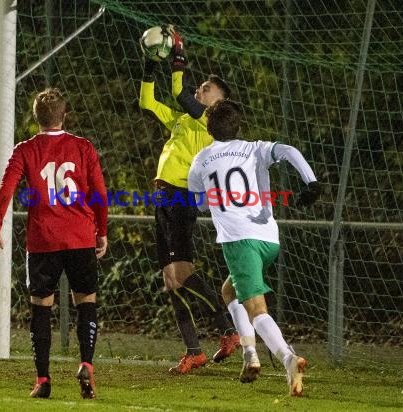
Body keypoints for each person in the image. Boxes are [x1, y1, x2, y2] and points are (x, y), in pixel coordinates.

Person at [187, 99, 321, 396]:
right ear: (239, 126)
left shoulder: (200, 160)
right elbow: (288, 151)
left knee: (257, 308)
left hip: (239, 241)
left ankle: (288, 358)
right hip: (269, 239)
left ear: (209, 129)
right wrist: (311, 182)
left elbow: (197, 203)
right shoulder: (255, 148)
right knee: (229, 291)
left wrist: (214, 196)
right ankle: (250, 354)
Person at [0, 88, 108, 399]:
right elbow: (100, 194)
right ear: (65, 115)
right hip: (80, 237)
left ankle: (42, 379)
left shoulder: (25, 150)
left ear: (36, 118)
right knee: (87, 303)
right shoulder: (83, 147)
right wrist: (101, 230)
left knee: (41, 308)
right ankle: (86, 365)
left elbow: (6, 189)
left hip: (43, 241)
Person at [139, 26, 243, 374]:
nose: (200, 90)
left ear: (219, 102)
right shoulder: (185, 119)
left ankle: (229, 329)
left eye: (207, 88)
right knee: (171, 278)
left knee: (182, 273)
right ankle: (194, 349)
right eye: (201, 87)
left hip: (181, 197)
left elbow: (179, 90)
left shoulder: (208, 120)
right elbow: (148, 102)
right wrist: (150, 66)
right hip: (163, 194)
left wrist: (178, 54)